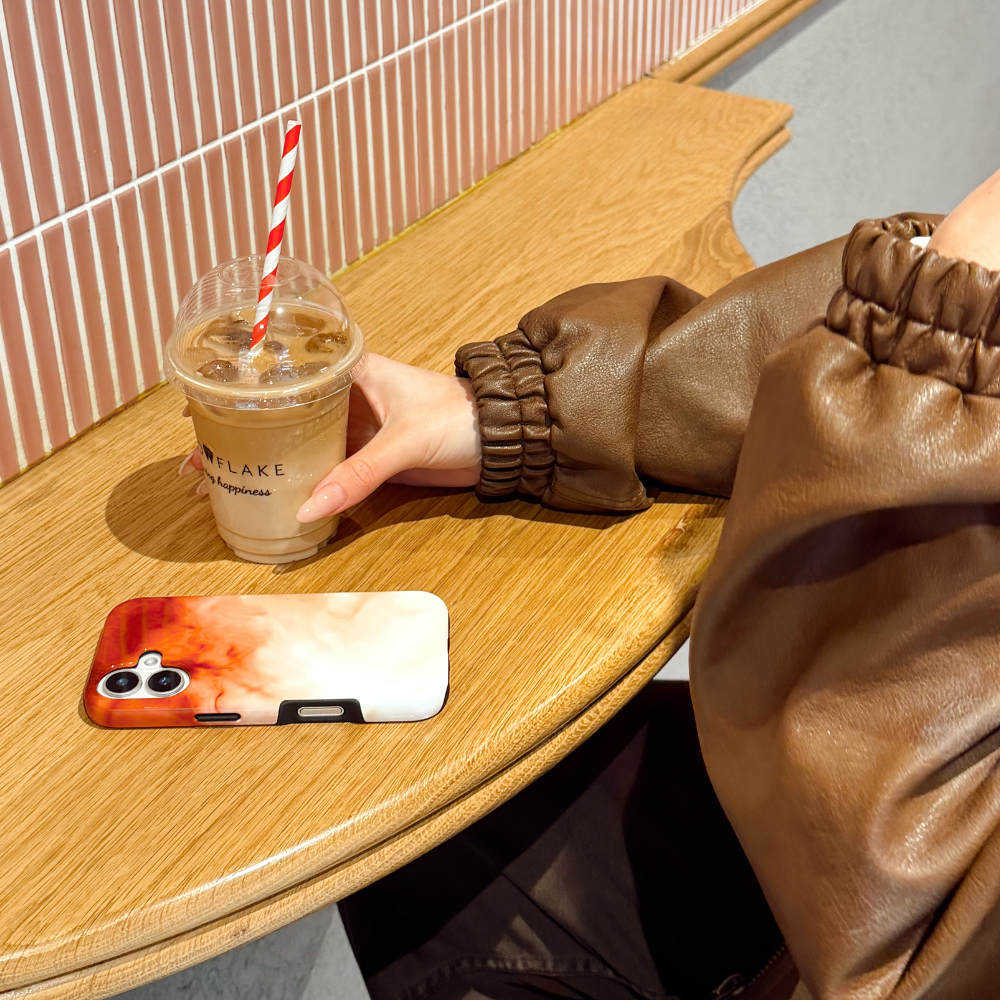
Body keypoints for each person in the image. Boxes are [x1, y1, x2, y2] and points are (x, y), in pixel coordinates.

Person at [186, 167, 1000, 1000]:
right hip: (853, 856)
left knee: (421, 798)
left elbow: (886, 942)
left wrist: (942, 361)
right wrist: (514, 413)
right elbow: (804, 341)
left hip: (879, 919)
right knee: (424, 775)